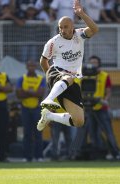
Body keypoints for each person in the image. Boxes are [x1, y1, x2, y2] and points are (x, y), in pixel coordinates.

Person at [37, 0, 99, 131]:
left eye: (65, 27)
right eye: (60, 27)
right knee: (68, 78)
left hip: (71, 80)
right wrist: (50, 78)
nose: (62, 30)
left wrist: (81, 14)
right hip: (56, 73)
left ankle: (49, 116)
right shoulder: (53, 42)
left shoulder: (79, 35)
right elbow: (43, 61)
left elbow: (94, 29)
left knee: (79, 121)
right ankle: (48, 100)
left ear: (72, 27)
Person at [86, 55, 120, 160]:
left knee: (108, 132)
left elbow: (108, 91)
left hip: (101, 108)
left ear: (99, 64)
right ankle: (97, 154)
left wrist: (104, 100)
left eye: (95, 62)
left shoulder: (104, 75)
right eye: (91, 62)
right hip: (89, 108)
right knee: (92, 133)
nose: (93, 64)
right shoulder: (85, 76)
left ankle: (116, 153)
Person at [15, 61, 46, 162]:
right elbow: (19, 94)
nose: (31, 67)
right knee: (27, 133)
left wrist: (26, 91)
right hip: (25, 109)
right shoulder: (22, 78)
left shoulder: (41, 79)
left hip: (37, 108)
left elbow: (40, 93)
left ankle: (39, 156)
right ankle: (27, 157)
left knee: (38, 133)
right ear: (26, 67)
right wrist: (32, 92)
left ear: (36, 67)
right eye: (29, 66)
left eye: (33, 65)